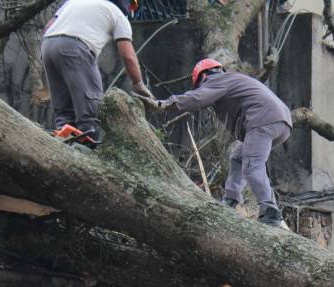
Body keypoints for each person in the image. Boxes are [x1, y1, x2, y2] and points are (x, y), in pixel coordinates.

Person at [148, 60, 293, 228]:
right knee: (237, 156)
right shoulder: (233, 80)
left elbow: (197, 98)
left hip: (262, 120)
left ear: (203, 77)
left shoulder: (215, 80)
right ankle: (231, 200)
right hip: (281, 123)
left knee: (252, 165)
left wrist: (165, 104)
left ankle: (270, 211)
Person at [42, 0, 152, 146]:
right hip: (75, 49)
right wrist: (139, 85)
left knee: (64, 112)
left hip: (48, 46)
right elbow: (128, 57)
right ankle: (90, 148)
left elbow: (48, 26)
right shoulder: (118, 15)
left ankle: (64, 145)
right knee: (91, 109)